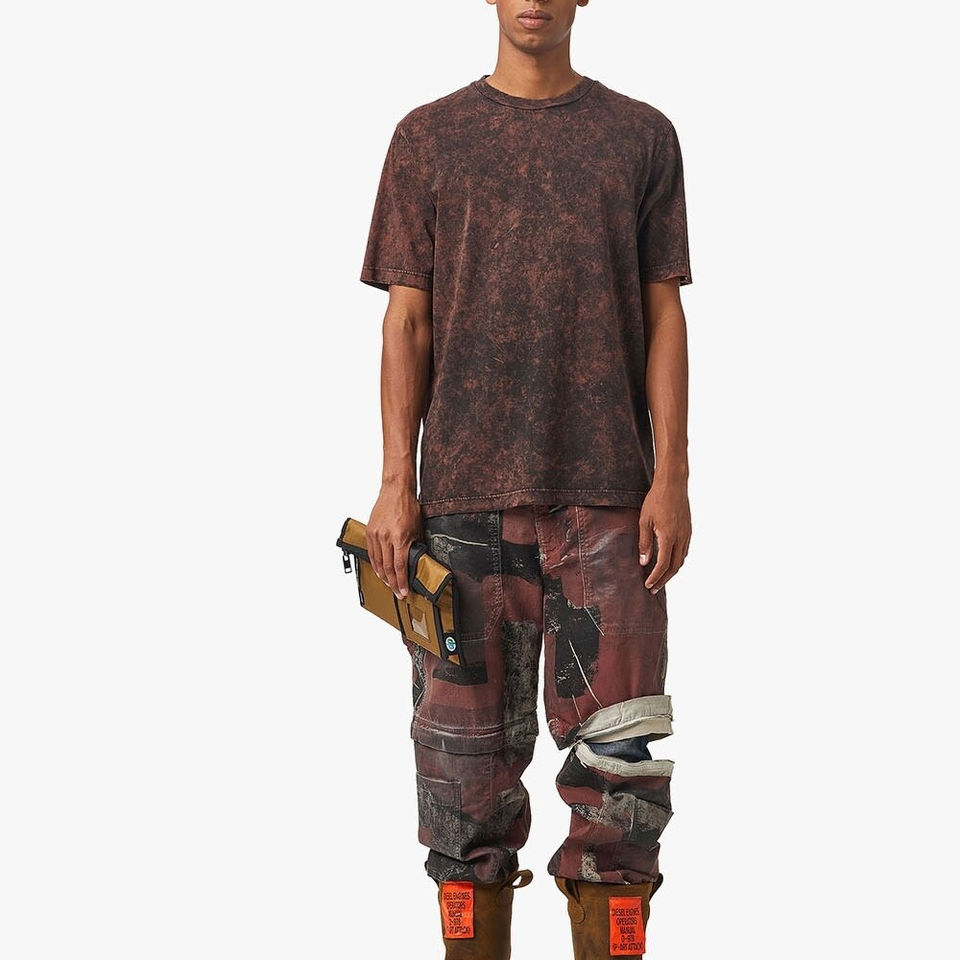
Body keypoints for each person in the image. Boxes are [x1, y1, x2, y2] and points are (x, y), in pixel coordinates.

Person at [358, 2, 693, 956]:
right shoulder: (428, 138)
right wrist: (395, 483)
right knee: (461, 781)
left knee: (621, 779)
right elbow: (406, 321)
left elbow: (663, 314)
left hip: (610, 503)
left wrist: (671, 476)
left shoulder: (641, 136)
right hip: (460, 503)